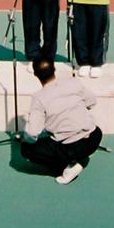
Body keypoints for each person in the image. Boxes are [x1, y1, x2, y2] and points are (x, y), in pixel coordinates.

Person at [18, 57, 103, 185]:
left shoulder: (39, 98)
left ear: (35, 74)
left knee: (27, 150)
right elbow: (92, 102)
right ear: (54, 69)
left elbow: (32, 134)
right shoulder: (73, 83)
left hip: (71, 147)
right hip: (94, 137)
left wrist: (24, 139)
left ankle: (70, 165)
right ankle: (80, 156)